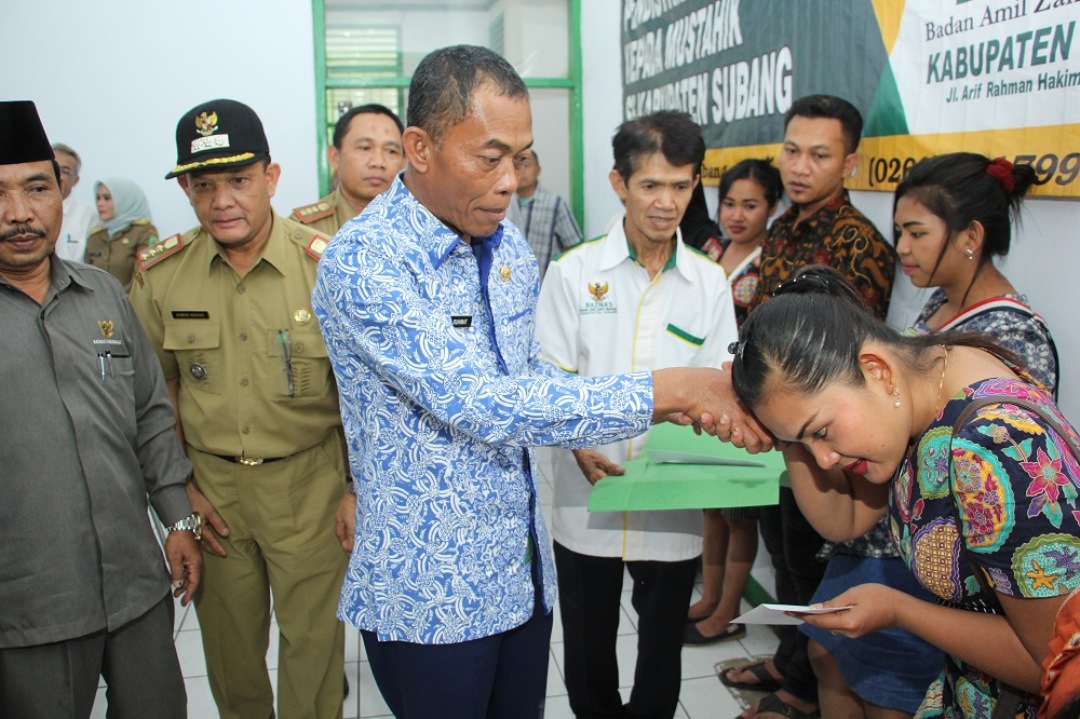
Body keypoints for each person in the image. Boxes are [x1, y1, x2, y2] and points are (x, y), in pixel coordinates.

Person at [311, 44, 767, 719]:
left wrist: (675, 405)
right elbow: (481, 400)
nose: (508, 181)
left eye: (519, 158)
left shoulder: (508, 250)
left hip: (520, 572)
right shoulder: (368, 261)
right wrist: (667, 389)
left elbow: (531, 377)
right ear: (420, 146)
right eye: (488, 157)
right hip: (434, 589)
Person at [728, 264, 1080, 719]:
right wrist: (785, 433)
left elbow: (1054, 666)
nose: (824, 459)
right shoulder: (928, 373)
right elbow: (845, 521)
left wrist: (900, 610)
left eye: (820, 431)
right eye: (803, 442)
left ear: (876, 371)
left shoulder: (992, 446)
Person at [800, 152, 1060, 719]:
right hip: (890, 543)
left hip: (942, 574)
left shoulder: (1011, 340)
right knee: (829, 658)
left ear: (970, 236)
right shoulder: (934, 315)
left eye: (917, 233)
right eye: (899, 232)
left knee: (888, 692)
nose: (903, 249)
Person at [129, 98, 351, 719]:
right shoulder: (162, 277)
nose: (222, 200)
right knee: (230, 661)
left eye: (238, 180)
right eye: (203, 185)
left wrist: (357, 489)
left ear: (271, 178)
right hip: (213, 496)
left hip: (309, 487)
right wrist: (179, 497)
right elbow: (154, 397)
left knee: (313, 657)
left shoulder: (325, 267)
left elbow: (362, 397)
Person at [0, 100, 201, 719]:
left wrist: (177, 520)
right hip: (31, 606)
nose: (19, 214)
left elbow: (148, 416)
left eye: (38, 188)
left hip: (134, 584)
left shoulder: (103, 295)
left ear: (62, 193)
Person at [536, 110, 738, 718]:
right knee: (589, 650)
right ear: (618, 183)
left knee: (660, 656)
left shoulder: (708, 284)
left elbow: (720, 387)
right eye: (651, 185)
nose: (666, 202)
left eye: (681, 186)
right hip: (584, 498)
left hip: (670, 504)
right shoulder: (574, 273)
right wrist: (575, 442)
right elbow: (549, 379)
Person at [721, 94, 897, 719]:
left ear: (849, 163)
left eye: (819, 155)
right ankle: (790, 663)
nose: (799, 166)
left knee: (809, 561)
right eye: (791, 150)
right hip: (780, 432)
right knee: (783, 549)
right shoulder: (783, 228)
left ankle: (801, 690)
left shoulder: (859, 243)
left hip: (827, 440)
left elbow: (847, 368)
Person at [684, 159, 781, 646]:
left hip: (747, 402)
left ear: (772, 208)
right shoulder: (712, 250)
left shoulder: (770, 260)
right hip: (708, 395)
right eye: (729, 203)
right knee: (712, 508)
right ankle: (709, 597)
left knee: (739, 514)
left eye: (751, 204)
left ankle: (727, 611)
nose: (737, 214)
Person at [291, 103, 405, 235]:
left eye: (391, 151)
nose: (378, 162)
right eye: (365, 148)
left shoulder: (424, 226)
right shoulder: (303, 231)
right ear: (335, 157)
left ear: (404, 162)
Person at [507, 147, 582, 280]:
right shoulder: (504, 204)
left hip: (546, 286)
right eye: (517, 167)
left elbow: (573, 246)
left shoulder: (555, 203)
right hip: (512, 285)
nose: (522, 172)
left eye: (527, 166)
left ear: (538, 170)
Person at [85, 177, 157, 289]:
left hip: (129, 304)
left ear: (124, 200)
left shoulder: (144, 232)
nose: (100, 203)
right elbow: (85, 275)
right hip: (95, 304)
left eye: (106, 198)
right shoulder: (95, 237)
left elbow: (144, 275)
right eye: (98, 198)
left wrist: (119, 300)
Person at [52, 142, 96, 262]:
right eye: (53, 167)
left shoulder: (89, 215)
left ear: (76, 181)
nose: (58, 175)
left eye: (65, 171)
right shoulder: (26, 209)